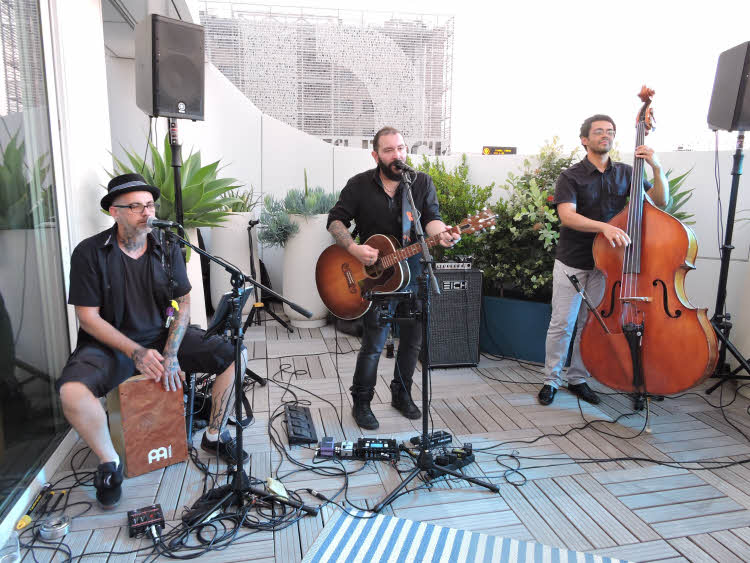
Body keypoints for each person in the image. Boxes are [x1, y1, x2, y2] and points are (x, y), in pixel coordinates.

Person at [57, 173, 248, 509]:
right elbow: (87, 317)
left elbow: (184, 302)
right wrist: (135, 351)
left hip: (161, 336)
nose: (147, 213)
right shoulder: (89, 253)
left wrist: (171, 354)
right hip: (110, 345)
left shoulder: (168, 247)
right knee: (71, 391)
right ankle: (109, 462)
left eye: (149, 205)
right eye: (136, 207)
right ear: (114, 212)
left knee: (236, 354)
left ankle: (215, 435)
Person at [327, 127, 459, 430]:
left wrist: (444, 235)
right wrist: (353, 248)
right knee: (374, 343)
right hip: (375, 279)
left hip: (413, 272)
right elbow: (335, 220)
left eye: (400, 148)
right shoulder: (359, 185)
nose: (396, 155)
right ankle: (361, 402)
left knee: (412, 341)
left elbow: (431, 220)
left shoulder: (420, 183)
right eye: (388, 150)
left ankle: (401, 394)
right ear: (376, 155)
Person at [538, 115, 669, 406]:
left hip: (607, 264)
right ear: (584, 139)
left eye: (610, 132)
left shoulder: (626, 172)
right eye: (598, 132)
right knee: (562, 323)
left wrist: (656, 167)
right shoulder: (570, 176)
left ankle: (578, 378)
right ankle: (551, 379)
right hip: (573, 260)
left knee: (590, 324)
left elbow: (661, 202)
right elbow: (567, 216)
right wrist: (604, 227)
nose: (605, 136)